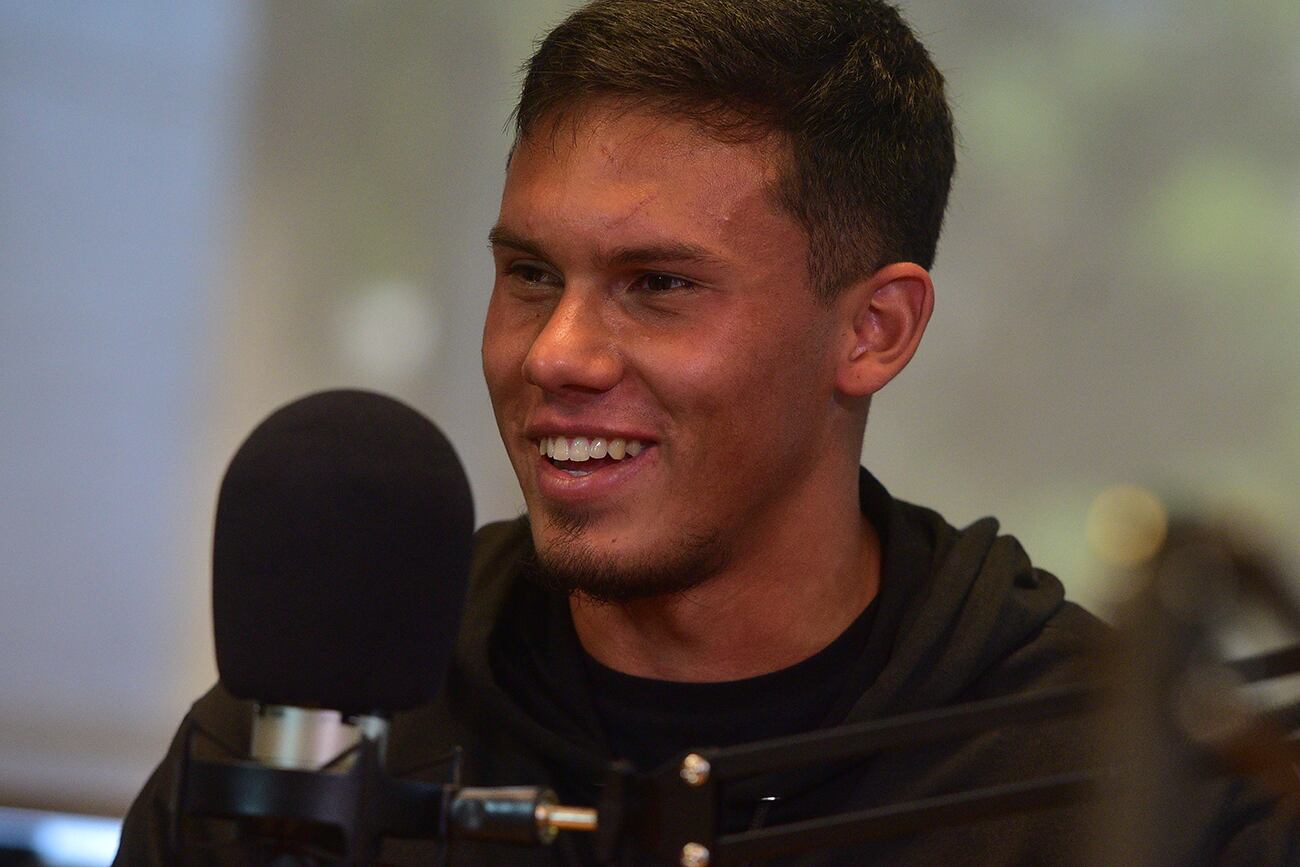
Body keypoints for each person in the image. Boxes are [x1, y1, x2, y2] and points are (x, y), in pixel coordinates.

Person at [115, 1, 1298, 864]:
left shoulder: (1126, 792)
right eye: (529, 273)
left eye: (658, 285)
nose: (555, 354)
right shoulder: (308, 744)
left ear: (874, 330)